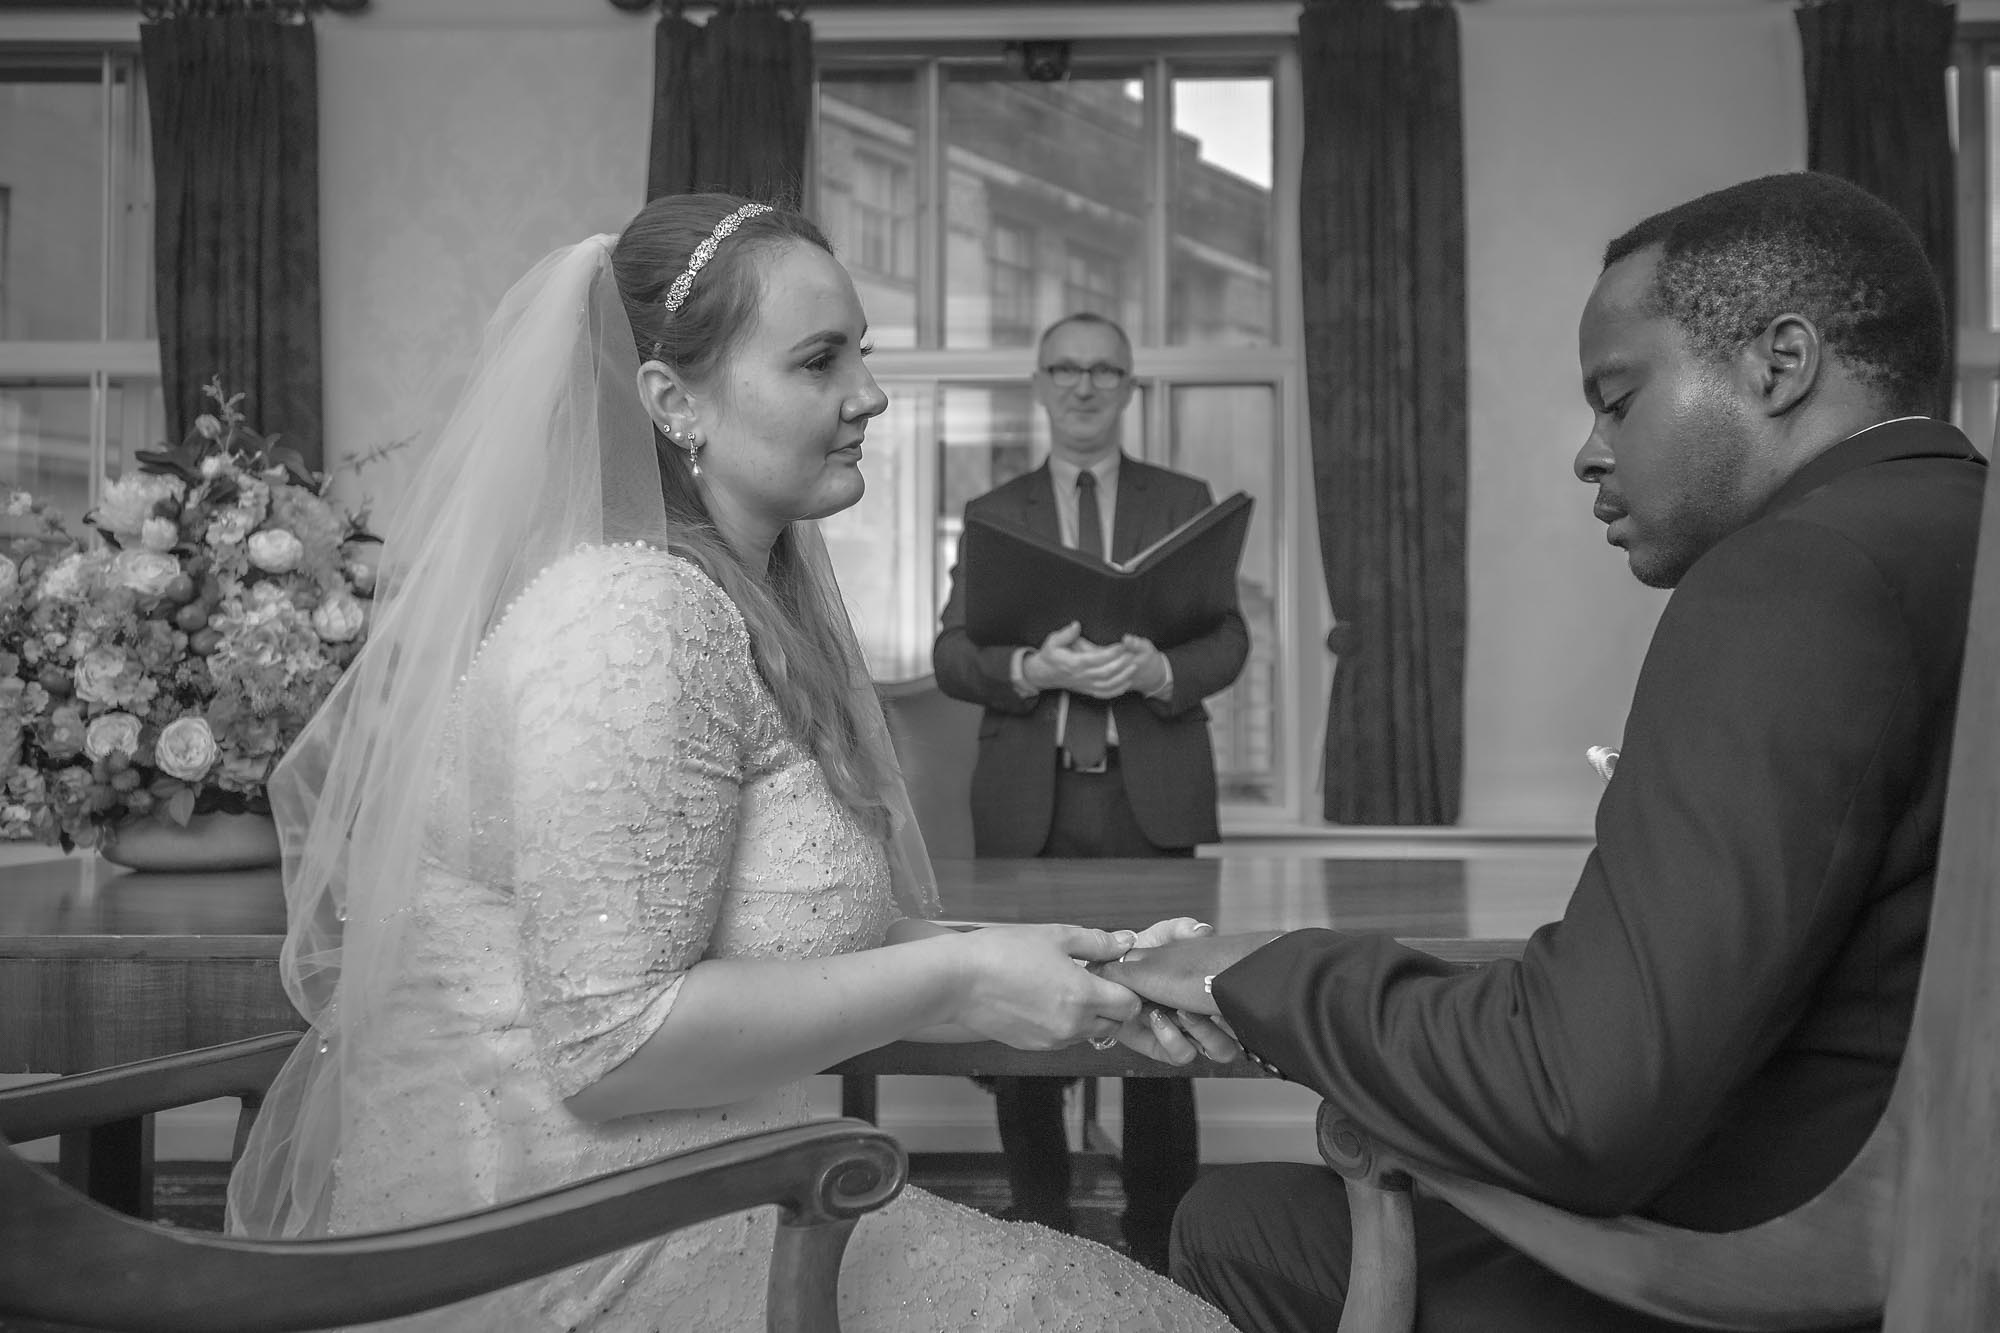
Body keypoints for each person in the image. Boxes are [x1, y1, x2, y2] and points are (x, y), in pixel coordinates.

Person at [223, 193, 1241, 1332]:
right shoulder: (630, 624)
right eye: (819, 361)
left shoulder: (741, 605)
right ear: (672, 401)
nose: (869, 395)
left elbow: (785, 939)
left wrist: (1054, 972)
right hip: (565, 1234)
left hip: (710, 1178)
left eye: (862, 353)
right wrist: (960, 980)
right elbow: (611, 1048)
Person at [1103, 170, 1988, 1331]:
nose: (1586, 451)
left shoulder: (1790, 580)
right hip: (1935, 1219)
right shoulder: (1953, 533)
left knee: (1231, 1221)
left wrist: (1249, 970)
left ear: (1779, 364)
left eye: (1616, 400)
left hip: (1765, 1258)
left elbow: (1580, 1102)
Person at [932, 311, 1251, 1272]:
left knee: (1169, 1020)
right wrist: (1031, 664)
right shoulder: (994, 511)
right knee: (1024, 1021)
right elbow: (954, 653)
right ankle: (1041, 1232)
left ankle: (1164, 1242)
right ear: (1039, 383)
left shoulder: (1185, 501)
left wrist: (1157, 669)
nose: (1082, 386)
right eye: (1064, 369)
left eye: (1103, 370)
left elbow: (1228, 640)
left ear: (1128, 386)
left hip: (1148, 801)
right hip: (1030, 805)